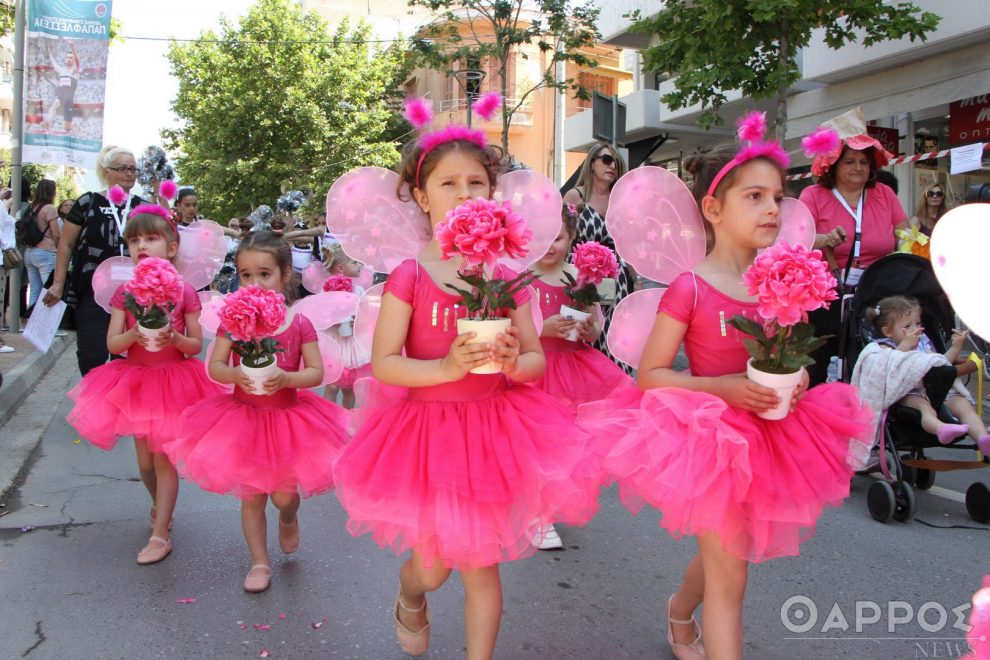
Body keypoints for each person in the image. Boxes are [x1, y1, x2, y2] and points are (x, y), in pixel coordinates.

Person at [579, 142, 872, 660]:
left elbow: (792, 354)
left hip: (775, 435)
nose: (771, 210)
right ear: (712, 209)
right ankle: (692, 620)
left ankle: (679, 609)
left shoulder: (783, 280)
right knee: (731, 570)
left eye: (777, 198)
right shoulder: (690, 288)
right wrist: (727, 388)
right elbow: (651, 375)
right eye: (754, 196)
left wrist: (799, 375)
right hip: (706, 440)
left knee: (732, 551)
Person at [332, 119, 602, 658]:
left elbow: (532, 363)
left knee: (482, 570)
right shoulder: (411, 274)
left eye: (475, 183)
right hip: (426, 434)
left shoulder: (507, 274)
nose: (463, 194)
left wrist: (511, 360)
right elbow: (385, 364)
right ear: (421, 197)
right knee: (430, 570)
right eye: (448, 184)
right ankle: (410, 596)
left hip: (493, 433)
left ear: (492, 193)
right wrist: (445, 369)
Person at [164, 232, 350, 593]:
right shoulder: (233, 322)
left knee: (284, 495)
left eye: (264, 274)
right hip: (243, 418)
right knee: (251, 496)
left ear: (284, 275)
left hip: (288, 419)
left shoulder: (299, 324)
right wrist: (235, 374)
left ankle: (289, 516)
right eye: (245, 275)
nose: (254, 282)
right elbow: (214, 366)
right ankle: (259, 561)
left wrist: (286, 378)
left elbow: (315, 372)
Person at [65, 206, 223, 564]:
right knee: (146, 464)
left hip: (174, 381)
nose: (141, 245)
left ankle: (161, 532)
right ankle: (158, 506)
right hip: (135, 381)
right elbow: (113, 345)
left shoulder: (184, 292)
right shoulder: (126, 293)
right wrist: (135, 332)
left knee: (164, 460)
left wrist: (175, 337)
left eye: (151, 238)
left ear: (171, 247)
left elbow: (196, 345)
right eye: (134, 240)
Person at [527, 202, 631, 551]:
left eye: (557, 237)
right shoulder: (521, 276)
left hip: (574, 370)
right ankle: (538, 515)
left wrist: (589, 328)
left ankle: (547, 505)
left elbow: (595, 321)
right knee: (539, 444)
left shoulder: (579, 276)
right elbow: (510, 324)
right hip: (535, 369)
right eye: (541, 237)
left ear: (571, 237)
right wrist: (543, 329)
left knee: (567, 444)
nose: (549, 245)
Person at [798, 132, 909, 385]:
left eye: (863, 162)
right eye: (849, 161)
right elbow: (796, 239)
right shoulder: (813, 195)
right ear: (834, 166)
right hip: (825, 295)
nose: (858, 167)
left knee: (870, 366)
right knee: (814, 367)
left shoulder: (884, 194)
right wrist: (825, 239)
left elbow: (905, 234)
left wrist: (916, 246)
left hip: (875, 292)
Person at [43, 145, 144, 375]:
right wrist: (58, 283)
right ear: (107, 172)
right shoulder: (87, 202)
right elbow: (66, 244)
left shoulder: (142, 206)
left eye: (133, 169)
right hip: (91, 290)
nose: (130, 173)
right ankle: (93, 402)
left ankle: (119, 404)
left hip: (133, 293)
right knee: (92, 353)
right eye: (123, 168)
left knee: (128, 354)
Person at [866, 295, 989, 450]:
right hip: (907, 392)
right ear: (888, 331)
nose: (916, 328)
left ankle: (983, 438)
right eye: (908, 325)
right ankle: (941, 428)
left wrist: (956, 347)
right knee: (925, 408)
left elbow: (940, 362)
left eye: (918, 323)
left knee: (962, 405)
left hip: (934, 388)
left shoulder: (922, 342)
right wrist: (905, 345)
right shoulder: (883, 347)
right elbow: (888, 365)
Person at [562, 142, 633, 369]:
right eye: (606, 160)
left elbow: (628, 244)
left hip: (616, 277)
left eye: (616, 162)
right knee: (585, 329)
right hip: (582, 275)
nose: (612, 166)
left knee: (614, 331)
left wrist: (638, 280)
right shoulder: (575, 196)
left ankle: (615, 380)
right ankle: (586, 380)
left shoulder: (621, 199)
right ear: (592, 163)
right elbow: (563, 233)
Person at [321, 244, 368, 409]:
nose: (359, 266)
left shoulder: (358, 290)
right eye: (355, 262)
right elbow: (320, 317)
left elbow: (366, 313)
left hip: (352, 346)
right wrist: (334, 321)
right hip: (334, 344)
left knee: (349, 388)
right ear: (341, 267)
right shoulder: (325, 292)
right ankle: (328, 419)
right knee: (332, 386)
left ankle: (347, 419)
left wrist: (358, 320)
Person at [22, 179, 60, 309]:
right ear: (51, 192)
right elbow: (56, 234)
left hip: (29, 252)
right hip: (46, 252)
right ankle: (47, 324)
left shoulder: (32, 207)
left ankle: (32, 323)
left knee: (35, 290)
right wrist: (61, 249)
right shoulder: (50, 208)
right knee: (50, 290)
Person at [44, 39, 81, 134]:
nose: (69, 59)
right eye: (67, 57)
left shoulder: (75, 71)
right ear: (64, 59)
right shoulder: (61, 70)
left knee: (67, 128)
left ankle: (74, 124)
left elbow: (77, 61)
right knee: (55, 103)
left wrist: (73, 48)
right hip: (61, 93)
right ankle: (48, 122)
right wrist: (49, 50)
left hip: (69, 97)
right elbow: (53, 62)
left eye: (71, 57)